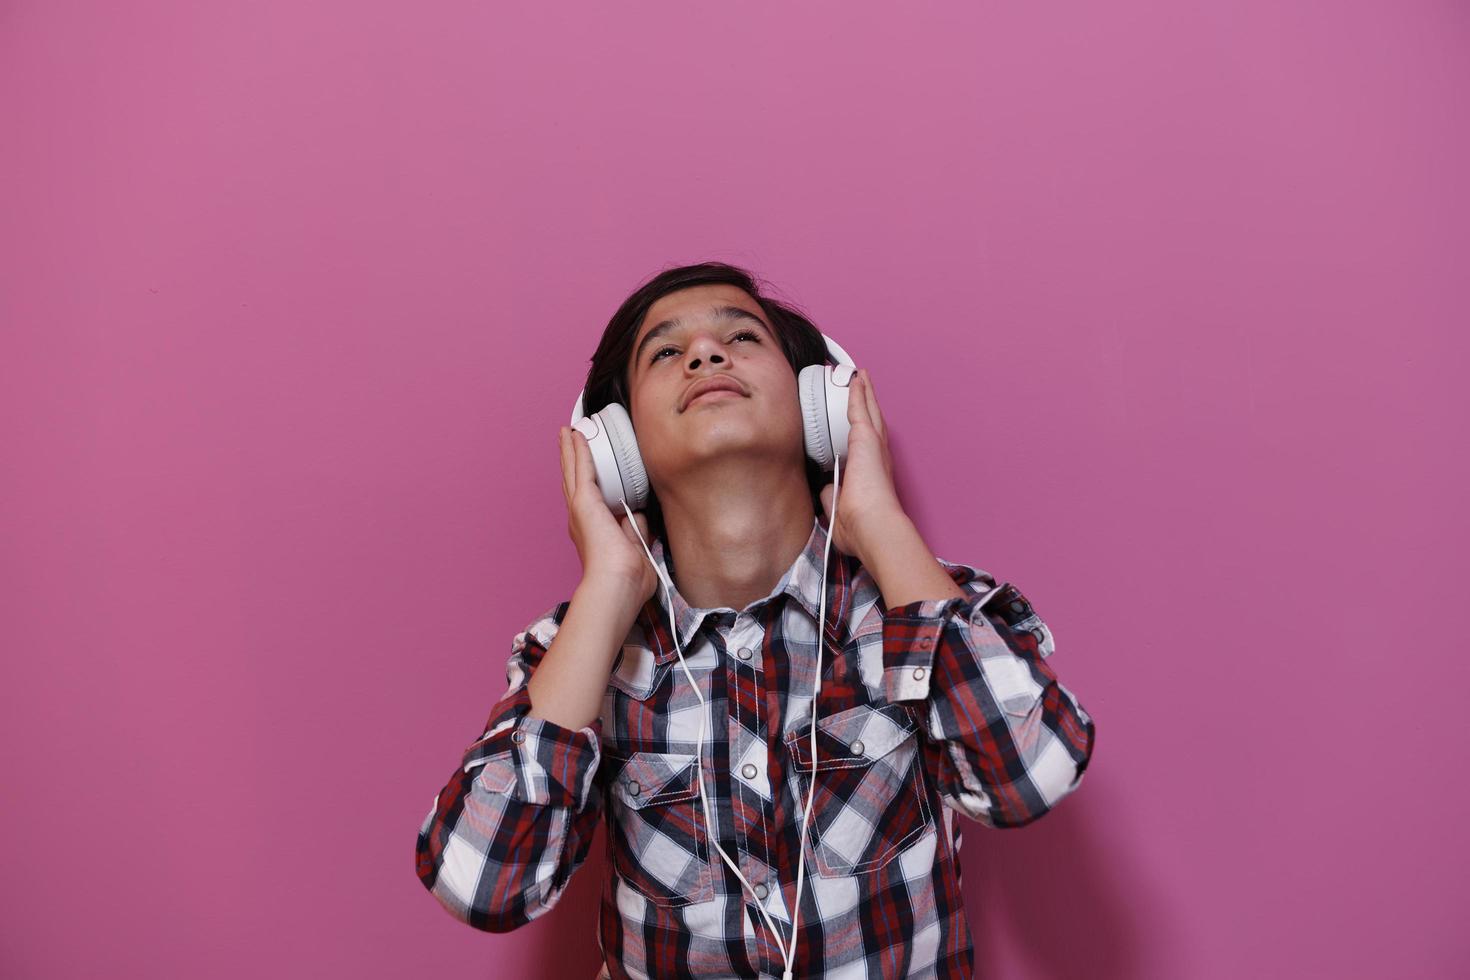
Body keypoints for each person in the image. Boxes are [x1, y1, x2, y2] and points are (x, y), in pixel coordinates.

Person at [415, 261, 1097, 979]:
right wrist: (610, 586)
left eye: (741, 338)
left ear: (819, 407)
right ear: (618, 449)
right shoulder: (577, 654)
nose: (707, 355)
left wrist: (879, 522)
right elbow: (481, 884)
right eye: (666, 353)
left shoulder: (918, 610)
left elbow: (1033, 775)